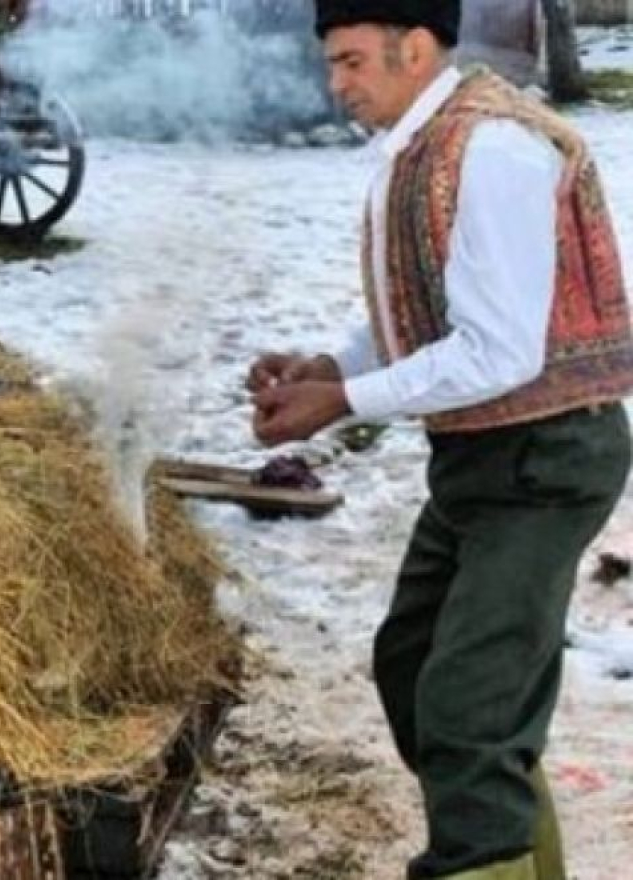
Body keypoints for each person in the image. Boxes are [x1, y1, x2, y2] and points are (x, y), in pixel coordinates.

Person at [247, 2, 633, 878]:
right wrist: (329, 365)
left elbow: (499, 351)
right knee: (413, 664)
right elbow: (425, 307)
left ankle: (479, 850)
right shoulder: (423, 145)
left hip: (546, 460)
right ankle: (509, 845)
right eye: (332, 63)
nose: (336, 84)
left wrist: (343, 400)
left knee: (468, 713)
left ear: (414, 49)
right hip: (484, 454)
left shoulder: (491, 149)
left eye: (351, 61)